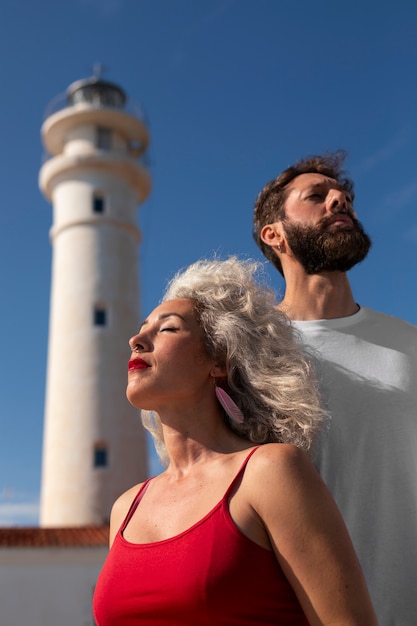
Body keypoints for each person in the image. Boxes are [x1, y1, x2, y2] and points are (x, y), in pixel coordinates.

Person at [92, 257, 377, 626]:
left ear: (219, 360)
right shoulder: (125, 508)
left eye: (168, 329)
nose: (136, 340)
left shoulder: (270, 471)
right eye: (142, 328)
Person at [253, 151, 417, 626]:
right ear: (274, 234)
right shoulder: (244, 357)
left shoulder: (409, 343)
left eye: (343, 195)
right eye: (316, 196)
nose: (339, 199)